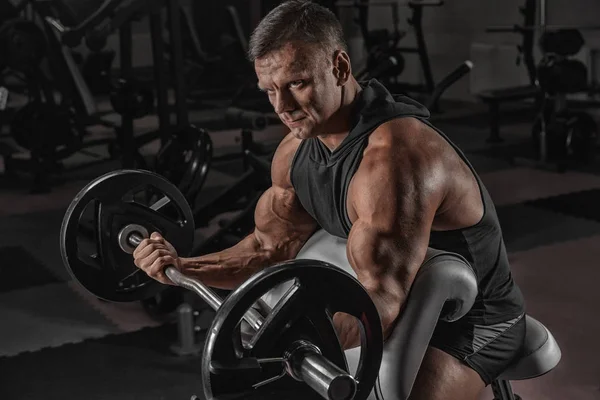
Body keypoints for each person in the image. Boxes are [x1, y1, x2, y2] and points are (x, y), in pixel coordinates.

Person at [133, 1, 526, 398]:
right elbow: (269, 248)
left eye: (296, 84)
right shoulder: (296, 151)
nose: (281, 107)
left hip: (475, 321)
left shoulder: (396, 159)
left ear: (339, 68)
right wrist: (184, 265)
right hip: (401, 300)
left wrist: (285, 339)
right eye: (270, 91)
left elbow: (381, 300)